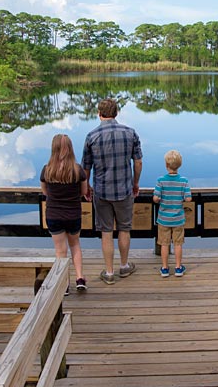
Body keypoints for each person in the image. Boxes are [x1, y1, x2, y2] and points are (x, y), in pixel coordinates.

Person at [82, 98, 143, 285]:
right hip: (124, 190)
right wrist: (135, 183)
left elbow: (86, 168)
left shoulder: (91, 136)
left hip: (101, 191)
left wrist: (86, 187)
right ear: (116, 113)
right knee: (124, 229)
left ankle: (109, 272)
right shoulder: (130, 133)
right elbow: (138, 162)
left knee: (106, 232)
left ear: (99, 114)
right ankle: (124, 267)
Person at [40, 134, 88, 293]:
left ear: (53, 149)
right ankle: (80, 278)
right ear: (71, 148)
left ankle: (65, 284)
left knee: (60, 251)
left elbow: (45, 192)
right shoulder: (78, 170)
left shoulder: (47, 170)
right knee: (75, 245)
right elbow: (84, 191)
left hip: (54, 214)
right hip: (73, 214)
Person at [152, 150, 192, 278]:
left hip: (163, 219)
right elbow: (188, 199)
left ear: (166, 165)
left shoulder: (160, 180)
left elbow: (156, 198)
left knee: (164, 243)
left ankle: (164, 268)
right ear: (179, 165)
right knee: (178, 244)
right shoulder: (184, 181)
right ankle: (178, 268)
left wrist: (159, 198)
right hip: (178, 219)